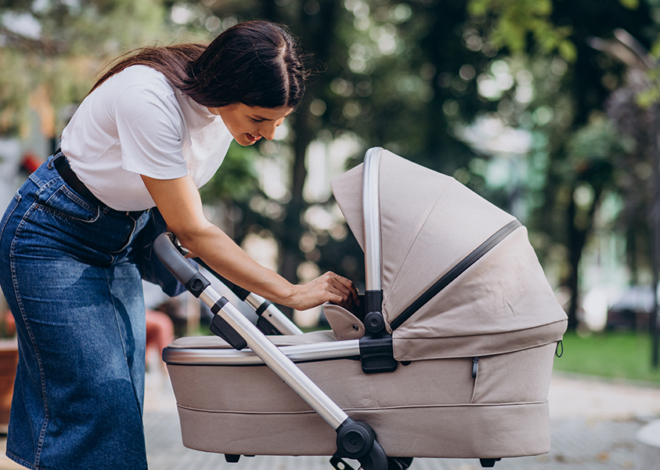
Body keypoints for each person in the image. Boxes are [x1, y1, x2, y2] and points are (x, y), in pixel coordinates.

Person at [0, 21, 358, 470]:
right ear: (228, 87)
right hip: (52, 237)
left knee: (120, 395)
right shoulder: (148, 97)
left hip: (121, 239)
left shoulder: (219, 112)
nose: (269, 135)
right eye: (260, 120)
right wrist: (290, 292)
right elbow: (193, 229)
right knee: (101, 400)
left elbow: (176, 201)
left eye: (279, 122)